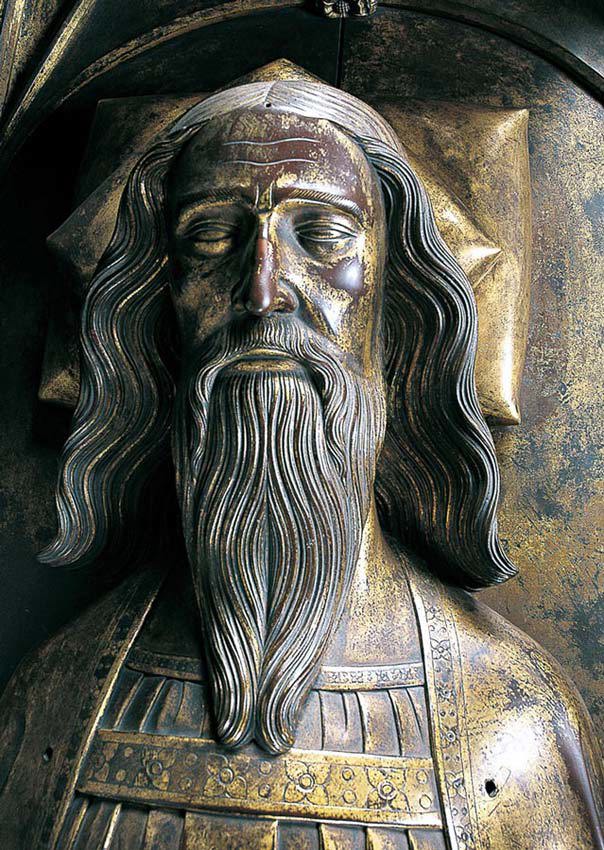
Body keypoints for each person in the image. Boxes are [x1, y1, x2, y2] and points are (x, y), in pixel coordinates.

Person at [1, 69, 602, 850]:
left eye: (320, 238)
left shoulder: (507, 726)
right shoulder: (57, 702)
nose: (263, 291)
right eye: (210, 237)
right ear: (158, 304)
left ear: (397, 304)